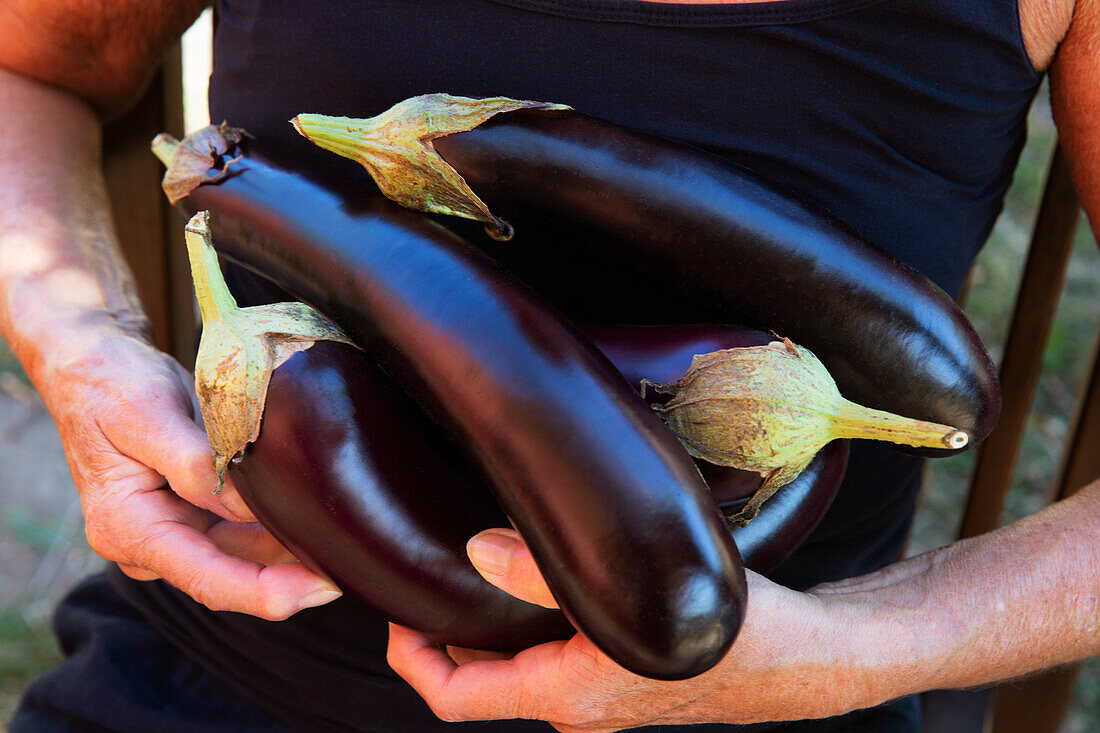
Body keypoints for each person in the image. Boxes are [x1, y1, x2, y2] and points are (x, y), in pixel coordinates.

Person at [1, 0, 1097, 731]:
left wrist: (863, 647)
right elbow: (25, 70)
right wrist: (80, 347)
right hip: (236, 682)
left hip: (779, 708)